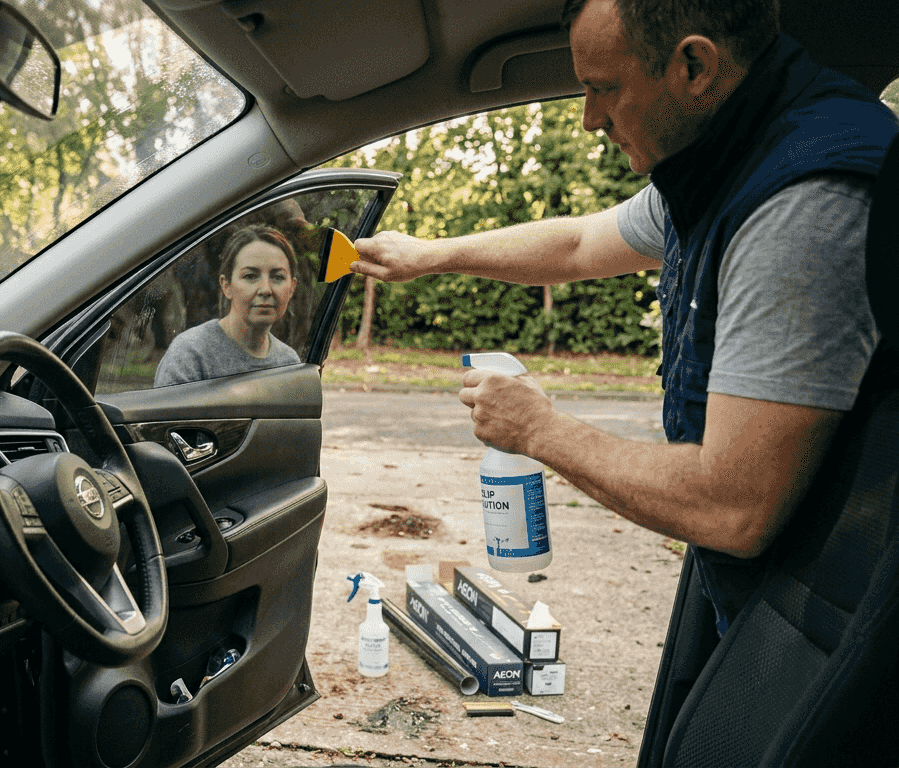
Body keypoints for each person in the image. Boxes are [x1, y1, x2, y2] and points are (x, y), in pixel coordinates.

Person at [351, 0, 899, 634]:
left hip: (823, 623)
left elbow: (734, 506)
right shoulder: (726, 162)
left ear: (695, 65)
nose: (589, 120)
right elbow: (581, 244)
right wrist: (431, 255)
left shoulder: (800, 205)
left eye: (602, 89)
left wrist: (537, 429)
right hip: (788, 598)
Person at [155, 225, 301, 386]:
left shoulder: (289, 362)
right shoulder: (190, 355)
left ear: (292, 288)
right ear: (227, 286)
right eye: (250, 276)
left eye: (278, 277)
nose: (266, 289)